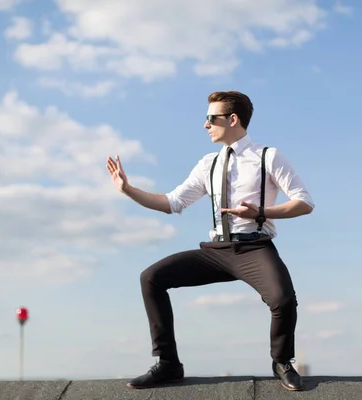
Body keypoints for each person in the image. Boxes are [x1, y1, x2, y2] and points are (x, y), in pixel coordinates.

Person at [106, 90, 314, 391]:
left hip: (254, 247)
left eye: (210, 118)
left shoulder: (268, 157)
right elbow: (172, 202)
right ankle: (168, 364)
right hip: (217, 251)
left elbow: (304, 202)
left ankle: (281, 361)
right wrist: (128, 189)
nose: (205, 125)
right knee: (151, 277)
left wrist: (262, 212)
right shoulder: (208, 164)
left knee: (283, 299)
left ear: (232, 119)